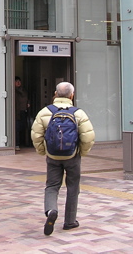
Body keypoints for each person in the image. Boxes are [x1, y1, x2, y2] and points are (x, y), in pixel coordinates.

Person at [31, 81, 95, 236]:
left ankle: (51, 210)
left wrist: (43, 151)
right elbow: (88, 137)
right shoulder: (79, 113)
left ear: (55, 94)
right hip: (72, 156)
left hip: (52, 156)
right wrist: (81, 152)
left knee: (52, 186)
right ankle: (70, 221)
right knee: (73, 187)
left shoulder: (45, 112)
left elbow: (36, 135)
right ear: (71, 95)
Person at [14, 76, 30, 148]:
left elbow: (27, 98)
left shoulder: (24, 91)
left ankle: (24, 142)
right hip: (16, 112)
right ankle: (16, 144)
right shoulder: (13, 91)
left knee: (23, 127)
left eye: (19, 81)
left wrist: (28, 103)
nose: (18, 83)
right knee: (16, 128)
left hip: (24, 111)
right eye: (16, 81)